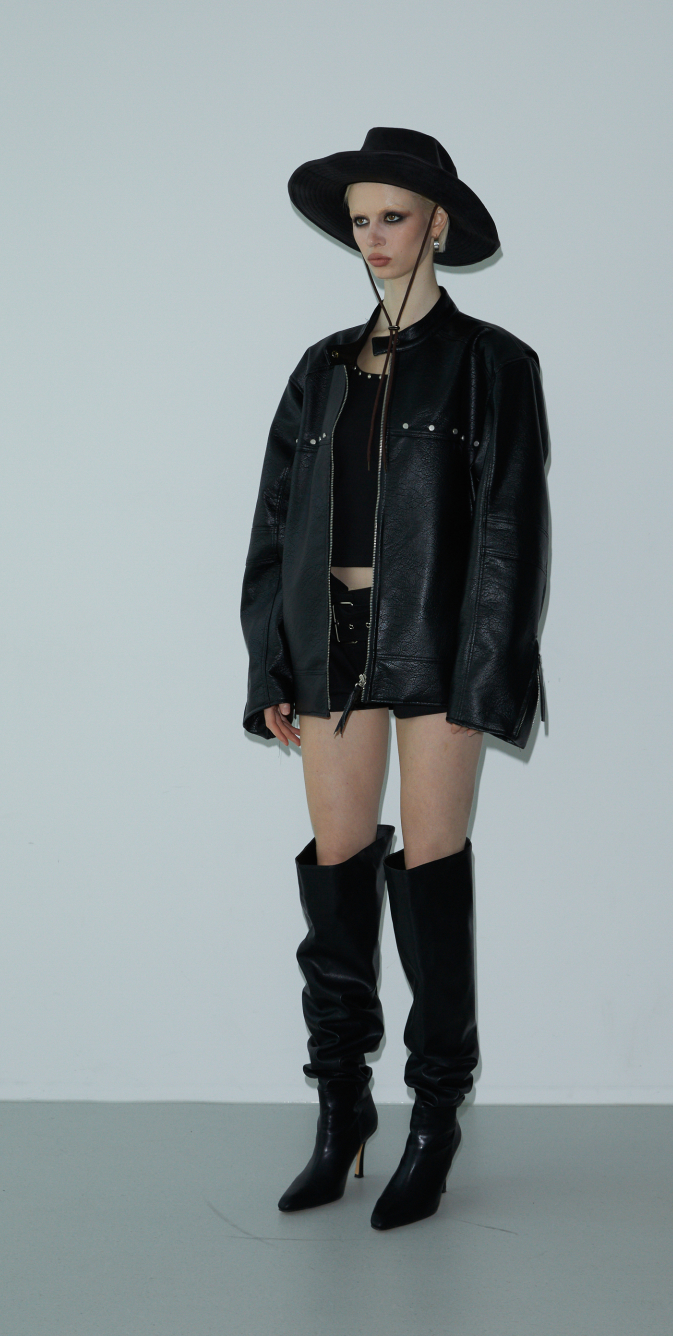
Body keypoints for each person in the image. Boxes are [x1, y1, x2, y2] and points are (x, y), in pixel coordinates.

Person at [240, 127, 550, 1230]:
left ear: (438, 226)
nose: (373, 237)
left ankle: (435, 1117)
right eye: (361, 219)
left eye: (394, 218)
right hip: (326, 640)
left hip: (437, 641)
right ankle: (342, 1109)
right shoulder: (321, 368)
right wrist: (267, 661)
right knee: (335, 872)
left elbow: (512, 533)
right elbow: (275, 525)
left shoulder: (493, 364)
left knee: (430, 867)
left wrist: (487, 674)